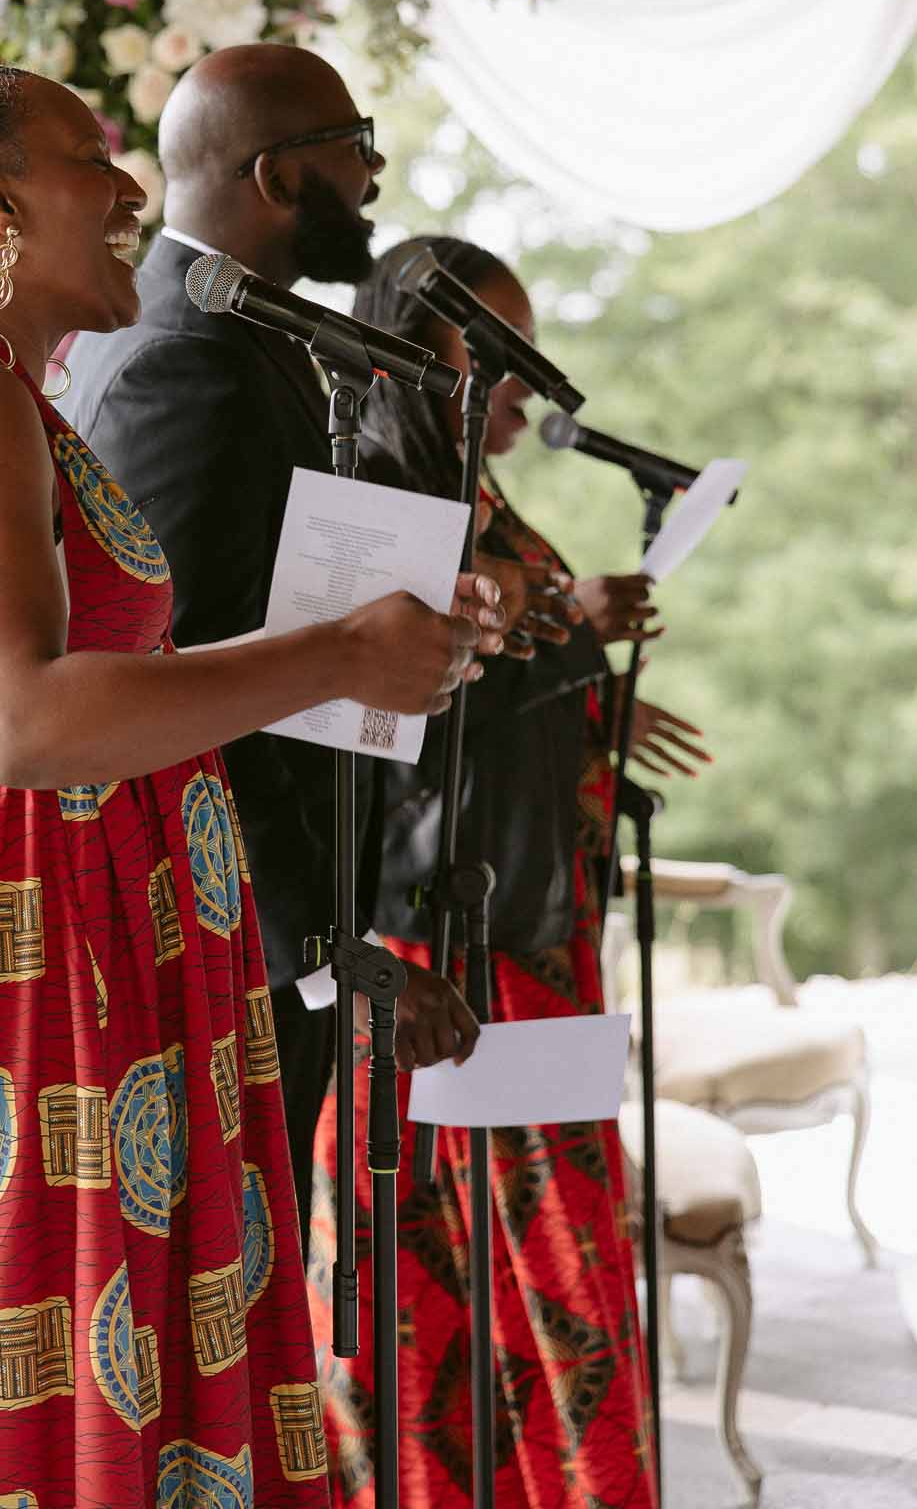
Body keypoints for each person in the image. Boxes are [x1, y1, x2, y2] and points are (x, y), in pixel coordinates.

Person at [0, 65, 485, 1509]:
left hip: (77, 950)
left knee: (124, 1385)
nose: (132, 190)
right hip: (19, 971)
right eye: (90, 158)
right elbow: (20, 719)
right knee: (55, 1390)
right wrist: (336, 650)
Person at [65, 48, 500, 1254]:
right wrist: (331, 954)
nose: (372, 174)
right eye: (356, 144)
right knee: (224, 1282)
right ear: (275, 174)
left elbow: (271, 602)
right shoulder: (183, 361)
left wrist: (424, 616)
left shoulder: (229, 331)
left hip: (258, 919)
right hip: (229, 938)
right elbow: (181, 693)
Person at [309, 236, 709, 1509]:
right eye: (503, 356)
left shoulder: (468, 487)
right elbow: (384, 709)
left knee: (528, 1268)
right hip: (453, 940)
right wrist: (564, 638)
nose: (529, 389)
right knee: (511, 1271)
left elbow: (489, 686)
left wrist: (587, 696)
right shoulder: (377, 489)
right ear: (420, 352)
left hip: (536, 920)